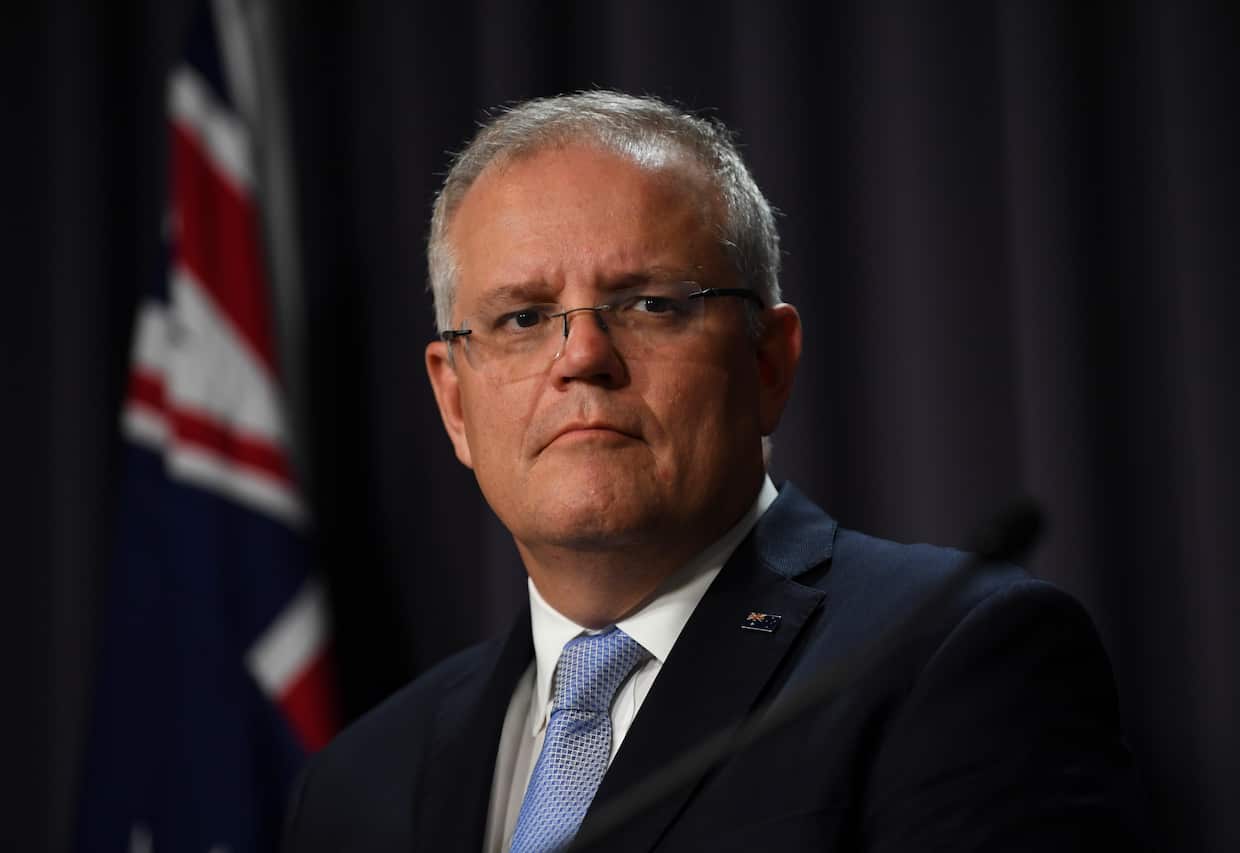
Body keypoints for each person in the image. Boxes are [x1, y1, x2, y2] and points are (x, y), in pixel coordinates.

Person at [282, 91, 1133, 852]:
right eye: (523, 317)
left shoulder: (952, 659)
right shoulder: (359, 780)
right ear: (455, 403)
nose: (582, 355)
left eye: (651, 303)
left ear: (768, 363)